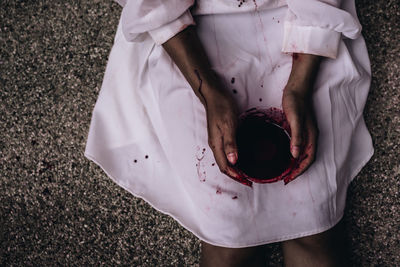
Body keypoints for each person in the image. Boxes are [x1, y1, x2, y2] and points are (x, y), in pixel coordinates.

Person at [85, 0, 374, 266]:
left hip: (304, 21)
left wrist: (299, 87)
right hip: (188, 37)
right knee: (229, 236)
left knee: (314, 227)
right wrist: (209, 93)